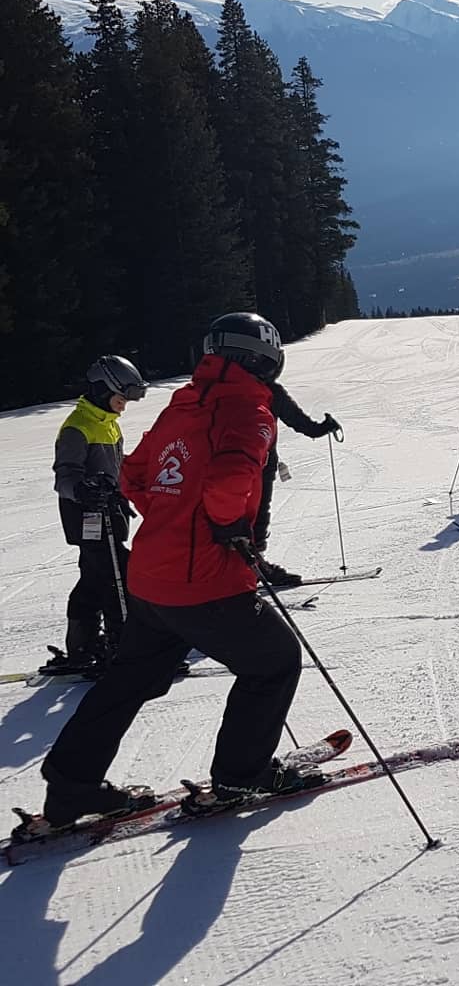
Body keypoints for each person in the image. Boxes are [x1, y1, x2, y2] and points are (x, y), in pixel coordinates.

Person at [30, 312, 315, 832]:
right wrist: (226, 526)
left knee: (129, 679)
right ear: (264, 359)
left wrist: (171, 515)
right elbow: (229, 481)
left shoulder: (183, 403)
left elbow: (135, 474)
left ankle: (71, 787)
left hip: (151, 578)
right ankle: (241, 775)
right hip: (206, 580)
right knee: (274, 661)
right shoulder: (249, 411)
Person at [44, 356, 148, 675]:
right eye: (121, 398)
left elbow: (114, 466)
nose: (124, 406)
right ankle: (122, 647)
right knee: (120, 577)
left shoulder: (108, 423)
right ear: (104, 390)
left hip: (109, 514)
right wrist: (83, 490)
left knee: (92, 580)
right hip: (86, 516)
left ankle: (83, 646)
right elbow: (64, 476)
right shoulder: (77, 427)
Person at [255, 382, 342, 586]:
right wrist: (324, 427)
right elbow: (301, 423)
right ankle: (255, 566)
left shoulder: (221, 387)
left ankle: (246, 567)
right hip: (261, 463)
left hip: (220, 464)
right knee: (257, 515)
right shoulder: (270, 391)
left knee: (228, 514)